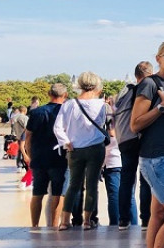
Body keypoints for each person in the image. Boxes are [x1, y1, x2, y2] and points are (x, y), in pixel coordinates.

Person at [131, 41, 164, 248]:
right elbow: (135, 124)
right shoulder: (149, 84)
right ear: (158, 58)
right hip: (157, 159)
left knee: (160, 213)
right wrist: (163, 105)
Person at [53, 71, 107, 231]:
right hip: (96, 148)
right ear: (96, 84)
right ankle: (87, 221)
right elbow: (102, 123)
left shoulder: (69, 104)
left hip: (75, 148)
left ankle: (64, 221)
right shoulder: (101, 104)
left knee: (73, 185)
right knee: (92, 185)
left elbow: (57, 127)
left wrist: (65, 142)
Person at [113, 61, 154, 230]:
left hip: (124, 139)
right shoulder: (144, 90)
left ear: (136, 75)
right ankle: (146, 219)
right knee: (145, 180)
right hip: (139, 137)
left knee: (126, 179)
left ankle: (123, 220)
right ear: (150, 75)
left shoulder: (124, 93)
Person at [23, 83, 68, 228]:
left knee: (37, 193)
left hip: (39, 158)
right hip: (60, 158)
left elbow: (28, 136)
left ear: (49, 94)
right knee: (58, 194)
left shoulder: (36, 112)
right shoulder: (67, 112)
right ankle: (54, 226)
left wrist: (30, 155)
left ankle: (34, 225)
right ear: (65, 95)